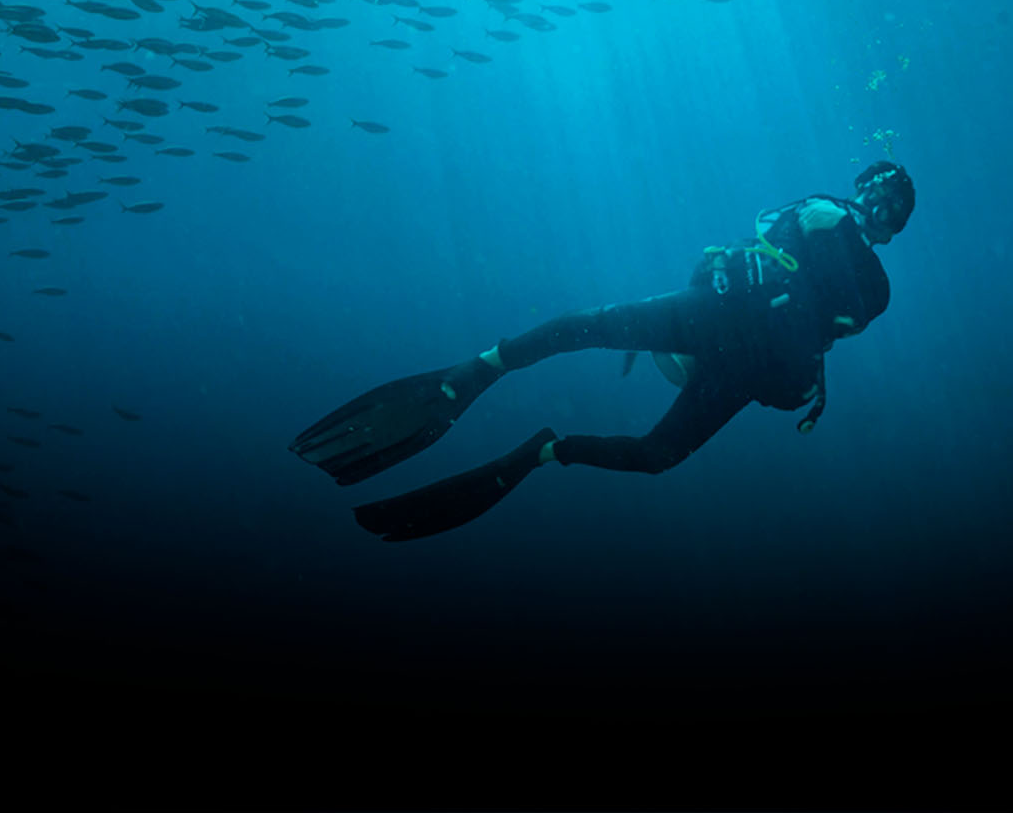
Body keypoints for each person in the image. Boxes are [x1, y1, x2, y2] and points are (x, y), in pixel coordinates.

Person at [290, 161, 916, 541]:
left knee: (655, 455)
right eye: (878, 196)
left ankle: (542, 451)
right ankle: (474, 374)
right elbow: (768, 261)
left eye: (892, 210)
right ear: (863, 192)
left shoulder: (868, 279)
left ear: (894, 228)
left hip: (737, 363)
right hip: (715, 325)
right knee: (590, 327)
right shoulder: (820, 215)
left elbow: (821, 327)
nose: (879, 210)